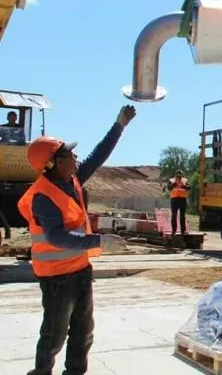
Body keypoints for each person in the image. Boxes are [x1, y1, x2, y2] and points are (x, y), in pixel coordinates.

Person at [17, 105, 136, 375]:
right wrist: (99, 241)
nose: (76, 156)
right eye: (70, 153)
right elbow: (57, 237)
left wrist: (119, 125)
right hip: (57, 278)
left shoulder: (71, 180)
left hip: (80, 270)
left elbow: (97, 157)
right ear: (56, 162)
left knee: (83, 333)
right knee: (54, 337)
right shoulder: (43, 197)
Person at [166, 169, 190, 238]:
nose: (179, 177)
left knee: (182, 216)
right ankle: (174, 230)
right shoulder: (171, 180)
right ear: (175, 175)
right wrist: (175, 184)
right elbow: (169, 188)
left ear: (182, 175)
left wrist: (182, 185)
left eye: (180, 176)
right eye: (178, 175)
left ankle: (183, 231)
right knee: (174, 215)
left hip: (182, 199)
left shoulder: (185, 180)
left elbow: (189, 187)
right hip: (174, 200)